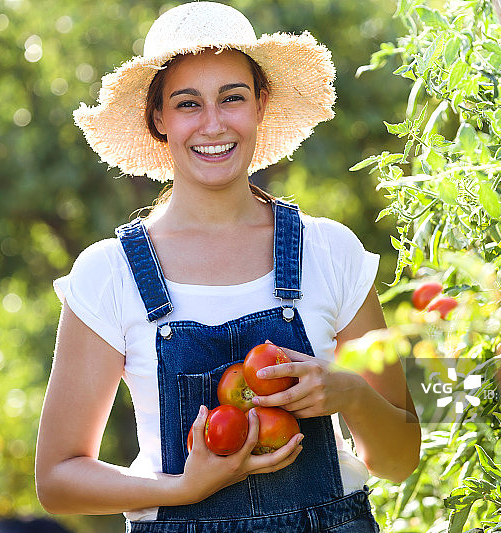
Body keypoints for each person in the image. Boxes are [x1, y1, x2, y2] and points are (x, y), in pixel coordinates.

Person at [35, 2, 421, 532]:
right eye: (187, 103)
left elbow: (400, 461)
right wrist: (183, 489)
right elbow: (57, 478)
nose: (213, 124)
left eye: (232, 98)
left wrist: (346, 391)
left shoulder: (329, 252)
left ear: (260, 105)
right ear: (159, 119)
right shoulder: (110, 274)